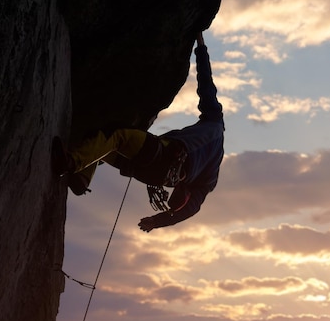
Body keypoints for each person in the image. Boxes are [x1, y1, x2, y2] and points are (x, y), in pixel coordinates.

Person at [52, 32, 224, 232]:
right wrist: (157, 221)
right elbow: (192, 208)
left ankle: (71, 163)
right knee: (101, 145)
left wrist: (201, 47)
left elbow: (206, 84)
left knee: (114, 134)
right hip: (154, 177)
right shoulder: (211, 176)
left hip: (163, 155)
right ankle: (81, 179)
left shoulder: (215, 121)